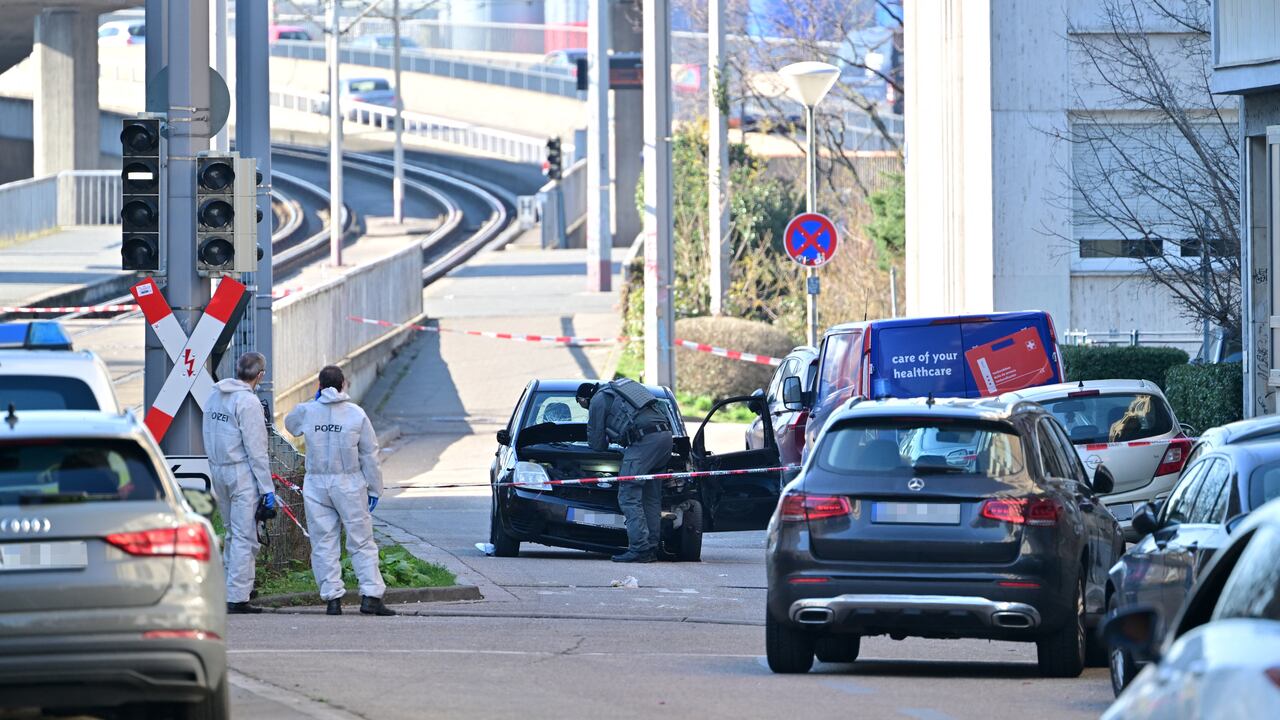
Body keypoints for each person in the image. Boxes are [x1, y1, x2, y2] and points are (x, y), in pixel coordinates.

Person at [285, 365, 394, 616]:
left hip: (316, 483)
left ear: (319, 385)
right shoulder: (356, 414)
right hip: (349, 483)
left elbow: (290, 425)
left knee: (324, 542)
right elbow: (369, 454)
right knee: (361, 541)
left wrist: (312, 402)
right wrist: (375, 488)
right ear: (344, 383)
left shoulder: (308, 411)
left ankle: (332, 599)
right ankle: (370, 596)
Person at [203, 351, 275, 614]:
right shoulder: (248, 402)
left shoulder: (215, 396)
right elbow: (257, 450)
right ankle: (238, 597)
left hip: (218, 470)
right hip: (241, 473)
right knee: (246, 536)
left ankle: (226, 589)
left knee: (233, 534)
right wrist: (267, 489)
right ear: (260, 375)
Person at [577, 379, 674, 563]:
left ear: (584, 399)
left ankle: (639, 549)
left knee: (628, 496)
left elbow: (597, 444)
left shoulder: (598, 399)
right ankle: (652, 547)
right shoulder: (622, 387)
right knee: (651, 497)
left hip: (644, 441)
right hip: (665, 437)